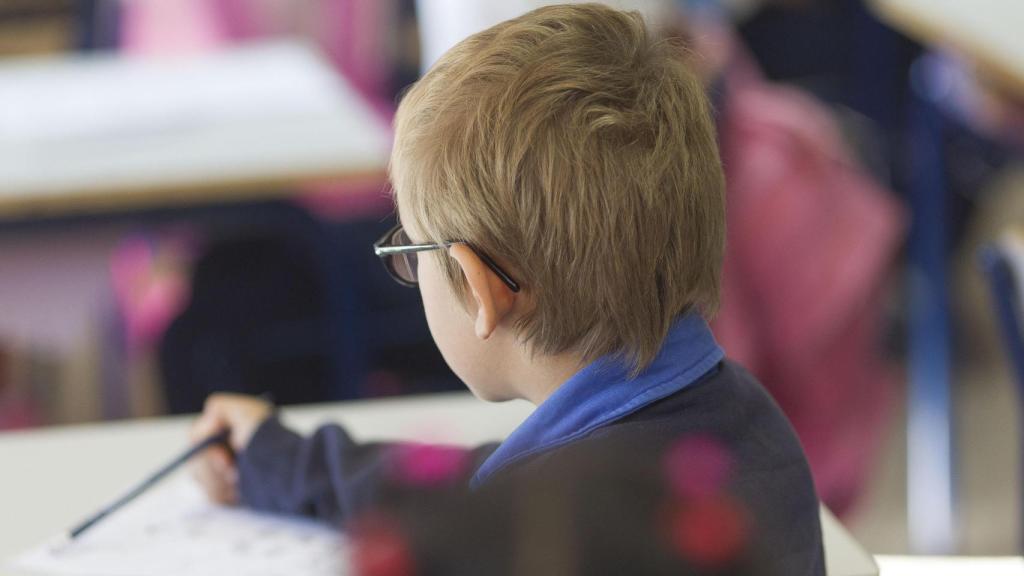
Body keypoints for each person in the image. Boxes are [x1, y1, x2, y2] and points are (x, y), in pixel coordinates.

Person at [189, 4, 824, 574]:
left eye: (412, 253)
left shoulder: (535, 540)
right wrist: (285, 460)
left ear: (479, 287)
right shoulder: (746, 422)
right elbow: (472, 488)